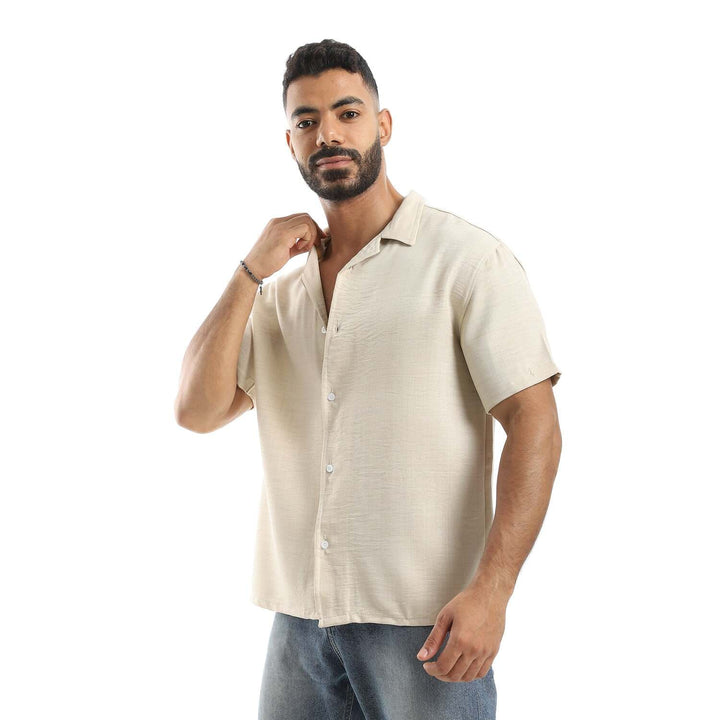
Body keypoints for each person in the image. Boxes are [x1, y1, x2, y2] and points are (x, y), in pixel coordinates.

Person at [175, 38, 563, 720]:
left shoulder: (466, 262)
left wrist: (494, 591)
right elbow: (196, 410)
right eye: (306, 121)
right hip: (299, 624)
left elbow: (535, 424)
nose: (327, 133)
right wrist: (249, 271)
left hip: (427, 626)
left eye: (347, 113)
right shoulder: (280, 293)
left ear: (383, 125)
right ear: (291, 143)